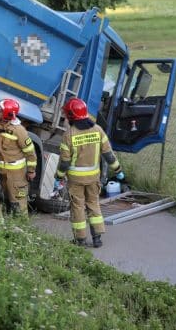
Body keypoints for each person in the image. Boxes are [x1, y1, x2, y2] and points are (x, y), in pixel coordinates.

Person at [55, 97, 124, 247]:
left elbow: (65, 162)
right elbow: (108, 154)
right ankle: (97, 238)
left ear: (71, 116)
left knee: (78, 206)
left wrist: (58, 177)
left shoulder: (69, 135)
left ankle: (80, 239)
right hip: (93, 178)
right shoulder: (98, 130)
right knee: (93, 204)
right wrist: (118, 170)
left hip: (75, 180)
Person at [0, 98, 37, 216]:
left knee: (18, 205)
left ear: (7, 114)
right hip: (3, 173)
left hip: (16, 175)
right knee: (7, 203)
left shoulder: (20, 131)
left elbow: (30, 152)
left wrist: (31, 171)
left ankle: (21, 230)